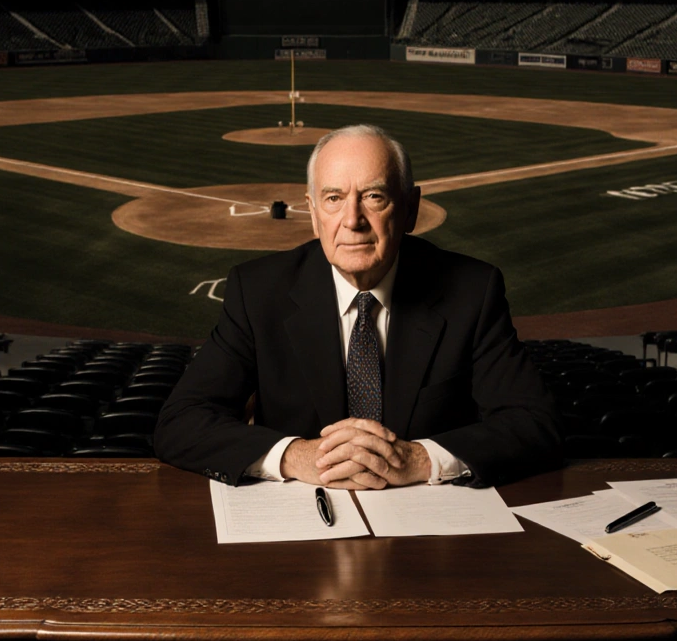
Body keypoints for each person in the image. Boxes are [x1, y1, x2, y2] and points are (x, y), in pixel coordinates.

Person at [154, 125, 561, 490]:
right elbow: (180, 422)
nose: (353, 219)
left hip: (431, 530)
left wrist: (420, 460)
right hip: (298, 528)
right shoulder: (259, 291)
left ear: (410, 209)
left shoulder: (472, 291)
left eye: (374, 197)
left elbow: (534, 424)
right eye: (333, 198)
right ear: (313, 214)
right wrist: (298, 456)